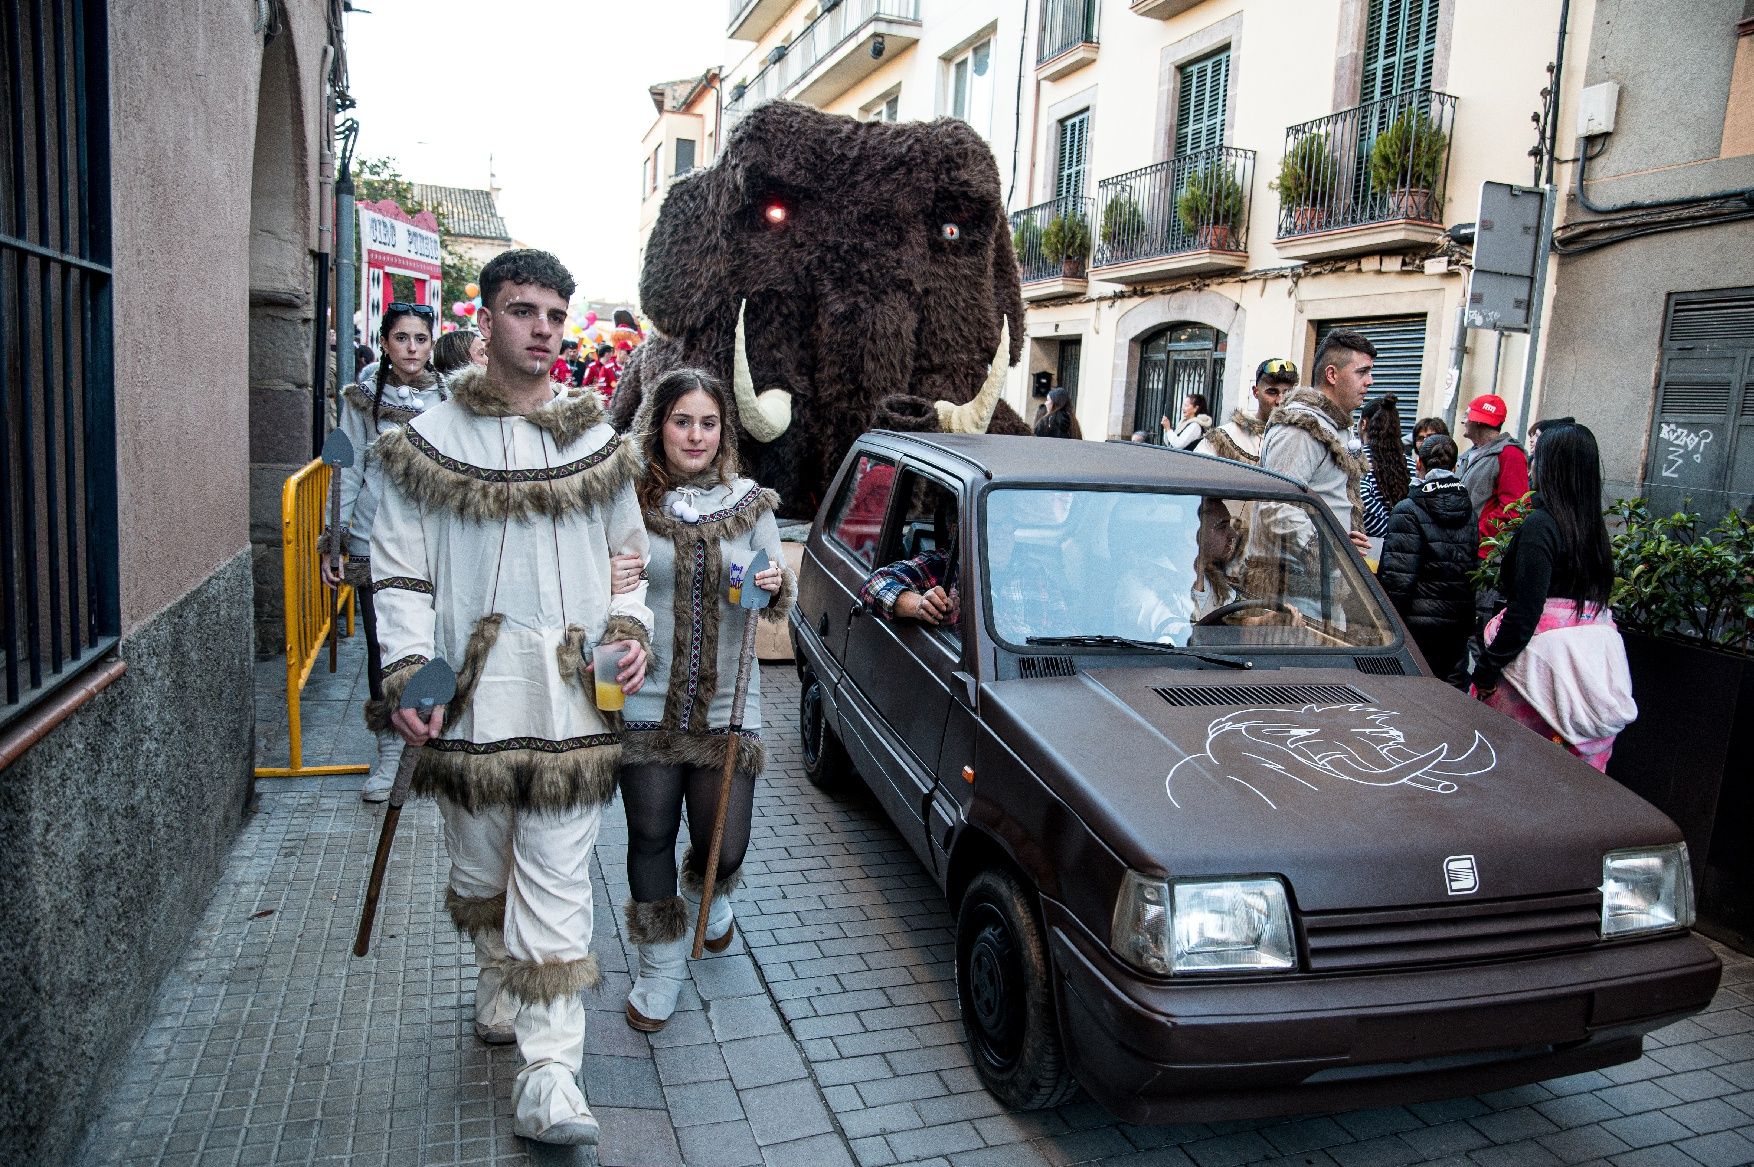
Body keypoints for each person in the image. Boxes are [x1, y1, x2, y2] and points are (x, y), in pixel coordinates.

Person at [370, 249, 652, 1146]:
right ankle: (497, 974)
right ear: (485, 319)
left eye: (554, 315)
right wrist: (411, 665)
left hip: (573, 704)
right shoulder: (428, 441)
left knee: (560, 883)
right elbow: (402, 569)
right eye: (523, 310)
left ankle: (549, 1074)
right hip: (473, 704)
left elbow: (626, 560)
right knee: (482, 874)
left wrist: (629, 631)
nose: (542, 327)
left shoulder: (596, 440)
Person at [608, 368, 793, 1035]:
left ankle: (709, 896)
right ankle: (659, 967)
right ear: (659, 424)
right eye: (682, 420)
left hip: (726, 706)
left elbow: (773, 589)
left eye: (707, 422)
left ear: (723, 432)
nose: (694, 434)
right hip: (645, 702)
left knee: (729, 843)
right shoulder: (626, 495)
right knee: (650, 831)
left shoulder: (751, 504)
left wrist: (771, 584)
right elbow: (597, 581)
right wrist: (607, 574)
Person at [321, 302, 449, 802]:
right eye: (402, 338)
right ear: (385, 341)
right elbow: (347, 471)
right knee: (383, 649)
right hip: (375, 540)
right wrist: (335, 541)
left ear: (431, 344)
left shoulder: (450, 397)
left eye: (421, 339)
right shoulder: (362, 399)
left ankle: (432, 751)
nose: (412, 349)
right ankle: (391, 753)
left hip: (435, 541)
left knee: (435, 642)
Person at [1470, 424, 1633, 771]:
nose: (1531, 466)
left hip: (1533, 681)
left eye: (1536, 458)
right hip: (1583, 682)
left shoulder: (1541, 526)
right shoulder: (1593, 531)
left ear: (1549, 467)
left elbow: (1525, 612)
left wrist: (1486, 670)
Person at [1257, 329, 1375, 553]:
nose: (1370, 381)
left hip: (1321, 581)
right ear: (1332, 375)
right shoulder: (1300, 428)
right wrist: (1331, 550)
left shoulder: (1334, 425)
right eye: (1362, 372)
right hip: (1292, 582)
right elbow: (1276, 508)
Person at [1378, 433, 1476, 681]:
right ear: (1455, 467)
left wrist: (1385, 624)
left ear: (1418, 464)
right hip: (1456, 622)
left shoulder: (1407, 510)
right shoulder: (1469, 511)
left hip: (1415, 626)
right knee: (1450, 694)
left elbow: (1397, 580)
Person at [1457, 392, 1530, 558]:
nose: (1463, 421)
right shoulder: (1472, 453)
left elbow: (1515, 509)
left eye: (1467, 415)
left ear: (1478, 421)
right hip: (1464, 549)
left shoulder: (1510, 455)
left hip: (1483, 555)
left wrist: (1475, 534)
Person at [1199, 359, 1297, 464]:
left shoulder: (1299, 437)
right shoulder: (1224, 438)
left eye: (1288, 393)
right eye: (1272, 392)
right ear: (1255, 392)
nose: (1280, 401)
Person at [1358, 394, 1416, 537]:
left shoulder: (1358, 459)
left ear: (1363, 424)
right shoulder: (1410, 463)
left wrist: (1386, 527)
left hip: (1367, 544)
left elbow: (1362, 497)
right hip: (1403, 543)